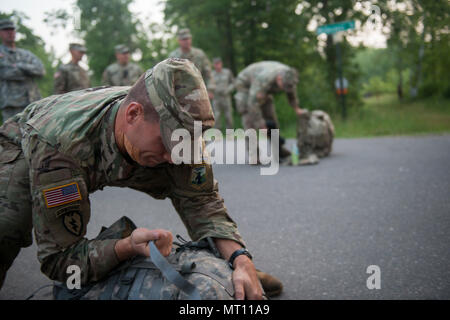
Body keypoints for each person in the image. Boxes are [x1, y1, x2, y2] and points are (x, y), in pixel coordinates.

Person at [0, 58, 282, 299]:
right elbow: (62, 259)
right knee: (7, 224)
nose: (175, 157)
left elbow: (202, 202)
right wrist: (124, 247)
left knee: (189, 187)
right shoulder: (58, 149)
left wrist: (239, 258)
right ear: (133, 114)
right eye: (167, 143)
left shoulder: (177, 132)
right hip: (28, 140)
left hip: (120, 143)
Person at [234, 61, 303, 159]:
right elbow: (252, 103)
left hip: (263, 89)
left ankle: (278, 149)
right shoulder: (264, 79)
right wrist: (261, 124)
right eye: (284, 86)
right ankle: (254, 154)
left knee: (271, 118)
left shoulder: (289, 76)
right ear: (279, 79)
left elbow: (291, 92)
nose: (285, 89)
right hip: (245, 86)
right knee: (249, 120)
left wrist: (296, 108)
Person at [0, 19, 45, 121]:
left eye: (12, 30)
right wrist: (28, 72)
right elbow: (5, 73)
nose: (10, 32)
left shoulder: (25, 54)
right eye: (6, 30)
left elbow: (41, 70)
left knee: (35, 135)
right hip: (12, 106)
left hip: (34, 103)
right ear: (0, 33)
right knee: (12, 136)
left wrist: (20, 66)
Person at [168, 28, 215, 99]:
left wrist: (210, 90)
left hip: (199, 93)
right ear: (179, 41)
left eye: (188, 38)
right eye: (184, 39)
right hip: (180, 95)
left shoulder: (199, 54)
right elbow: (170, 76)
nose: (186, 41)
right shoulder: (173, 56)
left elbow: (208, 72)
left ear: (191, 39)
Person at [211, 57, 234, 131]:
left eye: (218, 63)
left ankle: (230, 134)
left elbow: (233, 83)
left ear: (221, 64)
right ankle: (217, 134)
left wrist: (228, 90)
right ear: (213, 65)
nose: (217, 65)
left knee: (228, 116)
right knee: (216, 116)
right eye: (215, 64)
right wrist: (210, 91)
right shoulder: (211, 74)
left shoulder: (227, 72)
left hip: (226, 97)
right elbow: (208, 85)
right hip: (216, 98)